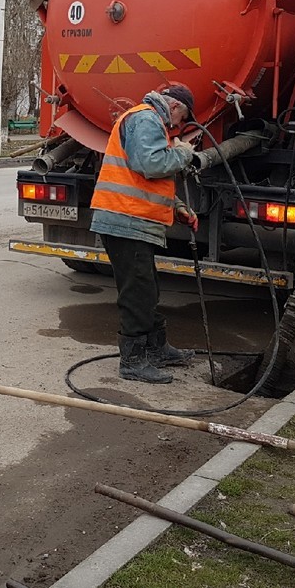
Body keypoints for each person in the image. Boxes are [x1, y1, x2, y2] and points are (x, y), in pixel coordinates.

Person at [91, 83, 199, 384]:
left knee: (147, 288)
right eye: (182, 119)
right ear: (175, 107)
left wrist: (177, 206)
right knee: (137, 292)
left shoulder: (150, 121)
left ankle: (156, 348)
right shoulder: (146, 118)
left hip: (133, 220)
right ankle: (133, 361)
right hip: (125, 219)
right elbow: (150, 164)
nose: (179, 127)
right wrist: (184, 153)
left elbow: (146, 178)